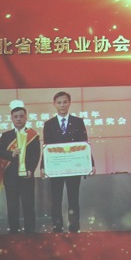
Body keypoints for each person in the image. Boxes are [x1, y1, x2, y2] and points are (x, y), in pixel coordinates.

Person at [41, 91, 95, 233]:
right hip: (55, 167)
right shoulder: (49, 124)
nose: (62, 105)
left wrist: (91, 164)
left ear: (69, 103)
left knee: (73, 198)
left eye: (65, 102)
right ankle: (57, 226)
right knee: (56, 198)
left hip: (74, 167)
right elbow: (46, 147)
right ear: (54, 104)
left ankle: (74, 227)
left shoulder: (78, 122)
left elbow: (84, 144)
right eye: (59, 103)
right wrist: (43, 166)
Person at [0, 106, 41, 234]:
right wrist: (11, 153)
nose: (19, 119)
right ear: (11, 118)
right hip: (10, 177)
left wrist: (31, 170)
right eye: (16, 117)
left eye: (21, 116)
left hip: (27, 176)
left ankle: (30, 230)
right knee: (12, 206)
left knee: (28, 205)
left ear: (26, 117)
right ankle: (14, 231)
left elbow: (36, 155)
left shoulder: (33, 135)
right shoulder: (6, 135)